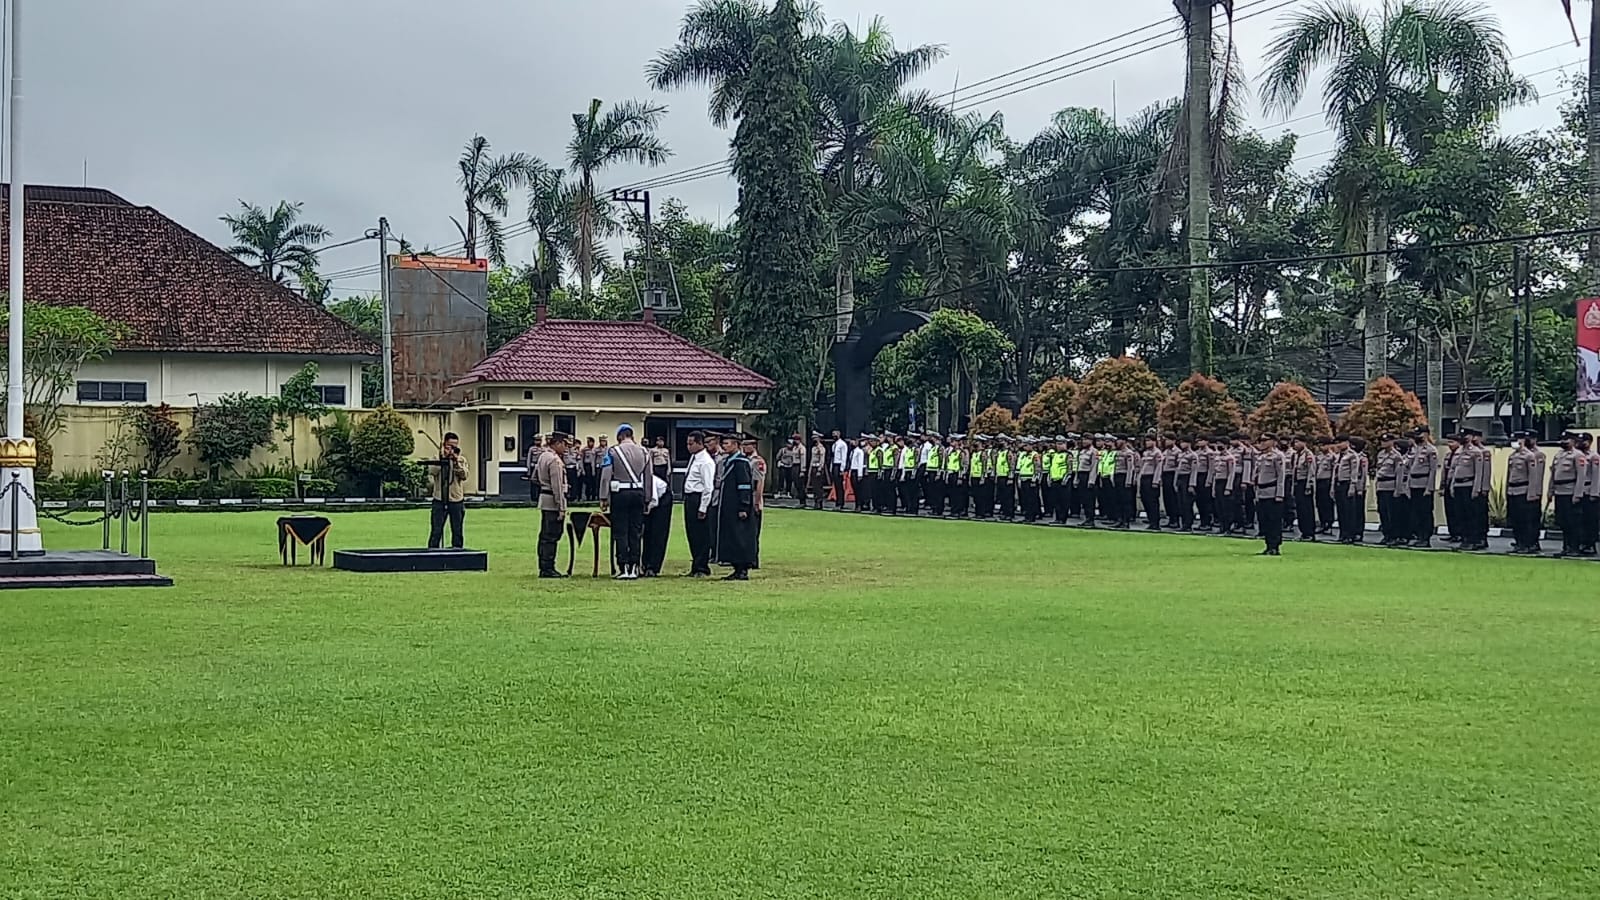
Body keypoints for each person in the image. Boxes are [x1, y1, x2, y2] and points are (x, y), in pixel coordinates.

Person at [599, 423, 655, 581]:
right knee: (635, 532)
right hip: (638, 492)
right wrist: (648, 498)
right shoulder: (644, 452)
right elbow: (649, 477)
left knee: (620, 531)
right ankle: (634, 566)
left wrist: (604, 497)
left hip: (620, 493)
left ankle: (623, 566)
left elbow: (606, 475)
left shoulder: (612, 451)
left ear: (619, 437)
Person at [713, 432, 758, 580]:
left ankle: (742, 568)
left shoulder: (741, 462)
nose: (724, 446)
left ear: (736, 445)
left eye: (727, 443)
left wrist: (744, 507)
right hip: (728, 506)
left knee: (740, 537)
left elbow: (745, 486)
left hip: (738, 507)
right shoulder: (728, 461)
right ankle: (735, 566)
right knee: (731, 536)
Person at [681, 430, 716, 577]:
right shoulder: (694, 458)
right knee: (692, 533)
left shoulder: (706, 461)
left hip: (699, 497)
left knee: (701, 534)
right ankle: (696, 564)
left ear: (700, 443)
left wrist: (703, 507)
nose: (688, 447)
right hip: (689, 497)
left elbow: (708, 487)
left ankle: (702, 566)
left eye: (691, 443)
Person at [535, 431, 570, 578]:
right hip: (553, 501)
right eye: (564, 444)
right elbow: (557, 486)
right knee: (552, 535)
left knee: (545, 535)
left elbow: (534, 477)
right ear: (557, 443)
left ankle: (544, 565)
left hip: (544, 498)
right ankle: (548, 567)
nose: (566, 448)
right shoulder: (554, 460)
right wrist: (561, 506)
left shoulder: (543, 456)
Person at [426, 431, 469, 549]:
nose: (453, 450)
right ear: (444, 445)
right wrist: (443, 459)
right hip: (440, 498)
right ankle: (432, 554)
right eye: (450, 446)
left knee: (457, 530)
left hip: (456, 499)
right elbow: (432, 472)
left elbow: (464, 475)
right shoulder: (436, 458)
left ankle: (458, 553)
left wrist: (455, 463)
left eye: (455, 447)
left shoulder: (461, 460)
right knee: (436, 530)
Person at [1505, 430, 1542, 555]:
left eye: (1517, 440)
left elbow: (1533, 476)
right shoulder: (1512, 456)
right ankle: (1519, 542)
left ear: (1522, 441)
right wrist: (1507, 492)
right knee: (1516, 520)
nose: (1514, 443)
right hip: (1513, 490)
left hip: (1523, 490)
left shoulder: (1529, 456)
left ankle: (1527, 543)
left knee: (1525, 520)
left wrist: (1532, 493)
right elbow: (1508, 476)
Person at [641, 449, 674, 578]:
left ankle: (653, 567)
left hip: (662, 499)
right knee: (647, 533)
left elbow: (653, 499)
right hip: (650, 503)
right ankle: (644, 564)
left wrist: (645, 513)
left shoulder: (648, 478)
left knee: (657, 533)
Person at [1253, 432, 1288, 556]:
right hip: (1262, 492)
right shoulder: (1260, 457)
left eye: (1265, 440)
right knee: (1265, 521)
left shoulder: (1278, 456)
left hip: (1273, 492)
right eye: (1261, 440)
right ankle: (1268, 545)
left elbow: (1281, 476)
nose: (1262, 442)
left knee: (1274, 521)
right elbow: (1257, 477)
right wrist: (1256, 493)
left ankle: (1275, 546)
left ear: (1273, 441)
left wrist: (1280, 494)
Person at [1406, 427, 1439, 548]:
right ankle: (1419, 536)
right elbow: (1410, 469)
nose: (1417, 436)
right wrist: (1408, 486)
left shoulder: (1431, 450)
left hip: (1424, 484)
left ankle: (1426, 537)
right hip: (1414, 484)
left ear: (1425, 434)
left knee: (1425, 513)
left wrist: (1429, 488)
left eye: (1419, 434)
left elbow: (1433, 470)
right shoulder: (1415, 449)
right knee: (1415, 513)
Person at [1551, 432, 1581, 558]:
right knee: (1562, 521)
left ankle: (1574, 547)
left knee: (1572, 522)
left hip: (1570, 491)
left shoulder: (1577, 455)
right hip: (1559, 491)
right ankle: (1565, 547)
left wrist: (1577, 494)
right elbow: (1553, 474)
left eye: (1567, 439)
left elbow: (1581, 476)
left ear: (1573, 441)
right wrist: (1550, 490)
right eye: (1562, 439)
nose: (1564, 442)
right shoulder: (1558, 455)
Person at [743, 434, 767, 567]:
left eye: (747, 445)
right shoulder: (744, 459)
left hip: (753, 496)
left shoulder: (758, 461)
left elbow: (759, 482)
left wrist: (757, 502)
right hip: (745, 496)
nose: (745, 447)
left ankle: (753, 560)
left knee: (753, 532)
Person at [1374, 433, 1402, 546]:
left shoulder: (1396, 456)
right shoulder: (1380, 454)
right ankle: (1386, 535)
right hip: (1381, 486)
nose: (1383, 443)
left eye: (1386, 441)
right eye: (1382, 441)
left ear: (1392, 442)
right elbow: (1378, 470)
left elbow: (1399, 474)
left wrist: (1398, 489)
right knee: (1383, 512)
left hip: (1391, 486)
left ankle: (1394, 536)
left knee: (1392, 514)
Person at [1340, 436, 1369, 544]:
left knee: (1357, 511)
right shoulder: (1346, 455)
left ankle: (1358, 532)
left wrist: (1360, 488)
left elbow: (1363, 474)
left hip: (1358, 486)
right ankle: (1348, 532)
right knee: (1349, 511)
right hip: (1351, 486)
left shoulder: (1361, 457)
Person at [1140, 433, 1162, 530]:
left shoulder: (1157, 453)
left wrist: (1156, 481)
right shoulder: (1145, 453)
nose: (1147, 443)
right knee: (1145, 500)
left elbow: (1158, 467)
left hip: (1151, 478)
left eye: (1149, 441)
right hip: (1144, 478)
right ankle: (1150, 521)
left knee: (1152, 502)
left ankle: (1155, 522)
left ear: (1154, 441)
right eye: (1146, 441)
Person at [808, 433, 829, 510]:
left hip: (818, 467)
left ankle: (819, 502)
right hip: (813, 467)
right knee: (814, 486)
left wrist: (820, 469)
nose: (814, 439)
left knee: (819, 486)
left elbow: (822, 460)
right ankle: (816, 500)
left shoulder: (821, 448)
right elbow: (812, 459)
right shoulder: (813, 448)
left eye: (815, 438)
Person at [830, 429, 849, 509]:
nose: (834, 436)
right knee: (836, 484)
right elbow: (832, 456)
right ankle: (837, 501)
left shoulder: (842, 444)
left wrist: (842, 469)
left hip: (839, 465)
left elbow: (843, 457)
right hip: (834, 464)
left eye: (835, 434)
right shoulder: (834, 445)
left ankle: (841, 502)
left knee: (839, 485)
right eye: (833, 434)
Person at [849, 436, 867, 512]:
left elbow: (860, 463)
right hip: (853, 470)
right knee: (855, 489)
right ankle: (857, 504)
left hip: (857, 471)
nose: (851, 443)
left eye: (853, 441)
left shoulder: (859, 451)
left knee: (858, 490)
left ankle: (859, 505)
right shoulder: (852, 451)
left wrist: (860, 474)